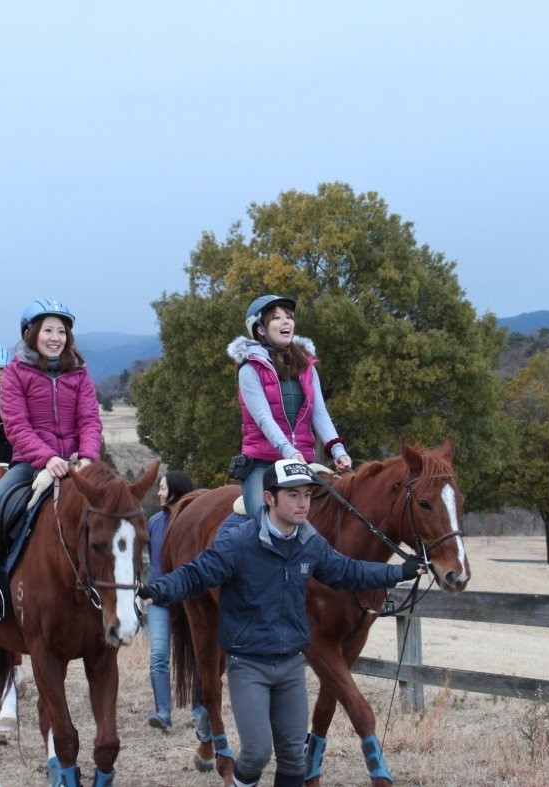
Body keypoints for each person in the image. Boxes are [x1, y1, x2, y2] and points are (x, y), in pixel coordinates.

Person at [138, 460, 423, 787]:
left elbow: (348, 571)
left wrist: (399, 571)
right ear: (269, 499)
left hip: (289, 665)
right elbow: (197, 573)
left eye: (307, 495)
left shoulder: (309, 544)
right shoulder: (238, 543)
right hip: (249, 663)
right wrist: (159, 588)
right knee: (258, 752)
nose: (304, 503)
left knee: (291, 757)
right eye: (293, 495)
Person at [0, 298, 103, 622]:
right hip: (31, 461)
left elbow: (89, 420)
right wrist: (47, 457)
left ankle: (121, 590)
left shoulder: (80, 373)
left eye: (61, 330)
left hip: (78, 461)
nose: (55, 337)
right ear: (31, 333)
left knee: (119, 505)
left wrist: (87, 456)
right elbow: (16, 425)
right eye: (48, 330)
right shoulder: (16, 372)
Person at [227, 294, 352, 519]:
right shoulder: (249, 369)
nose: (286, 322)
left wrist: (337, 450)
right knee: (263, 523)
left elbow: (319, 412)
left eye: (289, 317)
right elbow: (263, 418)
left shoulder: (307, 367)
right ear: (260, 330)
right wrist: (289, 451)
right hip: (261, 464)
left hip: (301, 461)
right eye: (277, 318)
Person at [142, 469, 206, 733]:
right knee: (158, 655)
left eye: (163, 488)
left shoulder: (195, 522)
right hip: (159, 600)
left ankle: (200, 711)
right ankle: (163, 714)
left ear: (176, 491)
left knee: (198, 656)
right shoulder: (154, 522)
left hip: (190, 597)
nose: (158, 492)